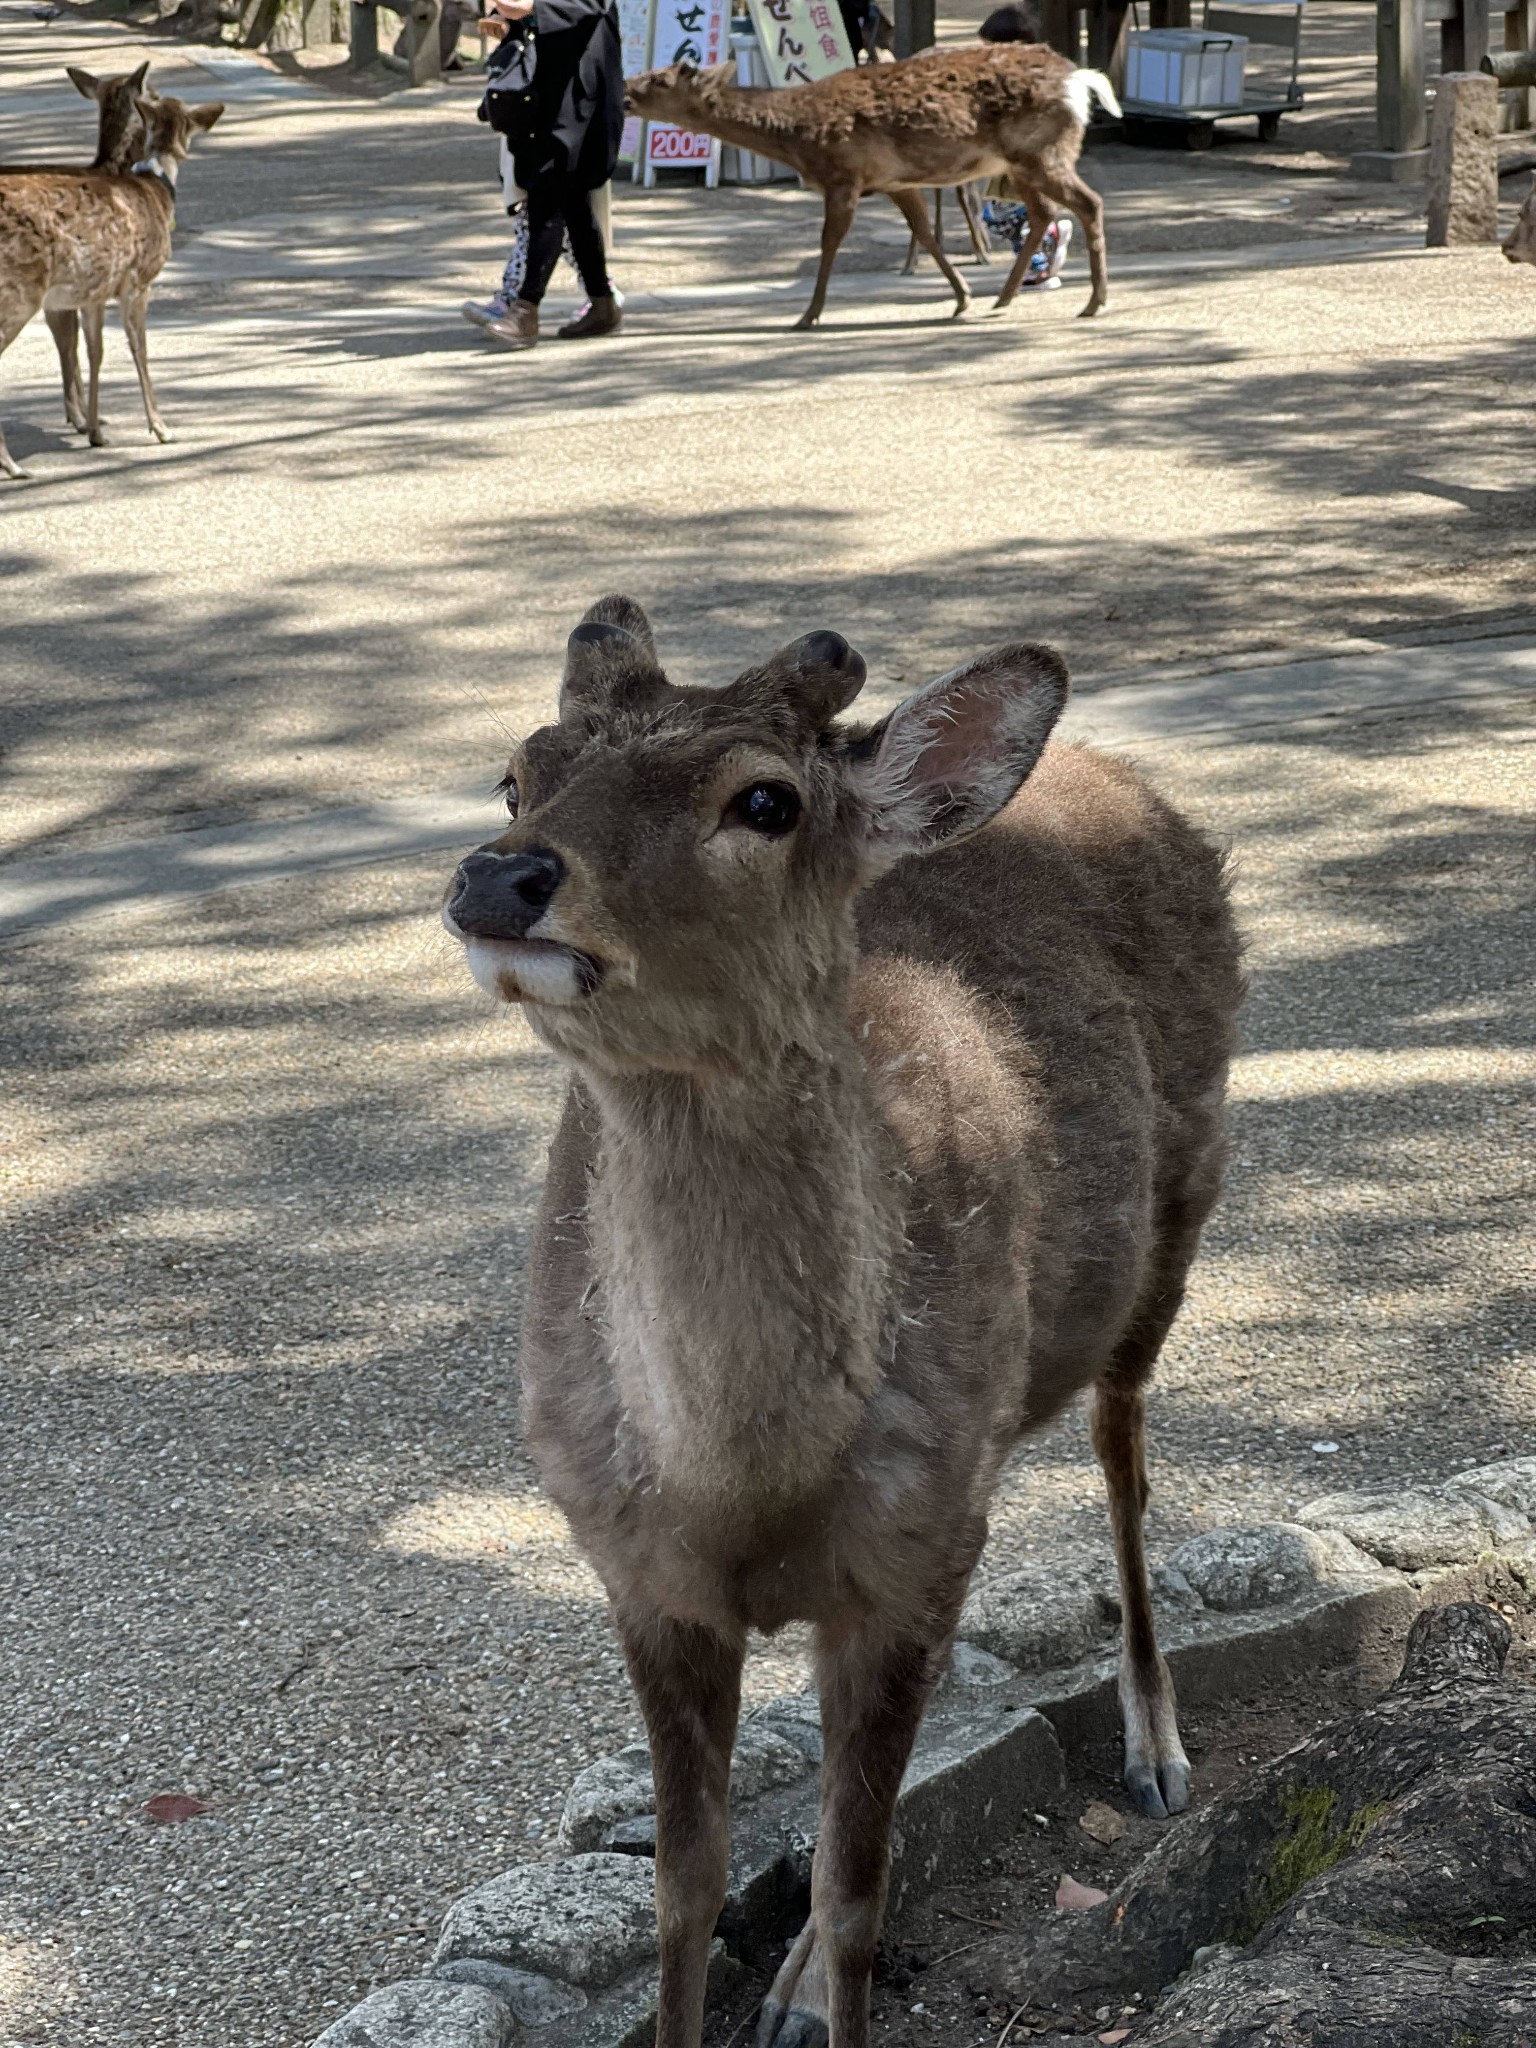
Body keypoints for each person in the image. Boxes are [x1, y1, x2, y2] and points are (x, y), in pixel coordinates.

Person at [462, 0, 624, 350]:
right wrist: (505, 18)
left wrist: (532, 6)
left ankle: (524, 311)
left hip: (581, 81)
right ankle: (602, 303)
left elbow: (589, 5)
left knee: (550, 191)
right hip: (543, 83)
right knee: (571, 198)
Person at [976, 0, 1071, 290]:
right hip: (1005, 158)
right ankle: (1048, 240)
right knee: (999, 216)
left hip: (1024, 158)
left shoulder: (1026, 79)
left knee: (1015, 215)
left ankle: (1039, 269)